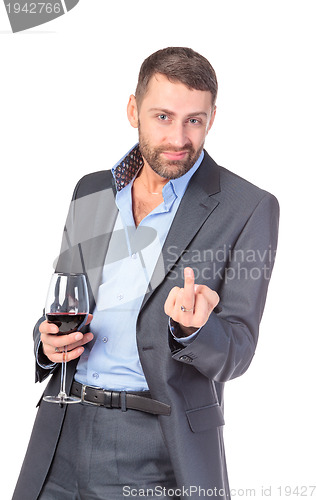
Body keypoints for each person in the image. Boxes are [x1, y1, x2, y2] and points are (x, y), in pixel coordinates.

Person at [13, 47, 279, 500]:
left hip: (157, 443)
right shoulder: (92, 190)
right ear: (133, 109)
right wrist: (47, 342)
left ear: (212, 118)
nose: (178, 137)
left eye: (194, 120)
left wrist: (195, 329)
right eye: (162, 116)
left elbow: (238, 351)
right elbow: (64, 302)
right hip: (61, 428)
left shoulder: (248, 207)